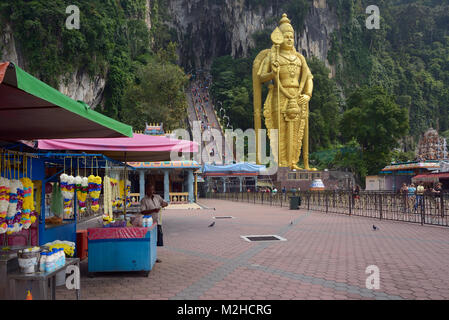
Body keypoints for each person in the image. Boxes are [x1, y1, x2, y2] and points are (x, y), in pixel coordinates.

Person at [253, 14, 314, 170]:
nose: (289, 39)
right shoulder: (273, 57)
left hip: (298, 96)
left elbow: (308, 78)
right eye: (286, 36)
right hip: (279, 95)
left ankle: (295, 162)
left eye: (291, 37)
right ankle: (281, 163)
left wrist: (307, 94)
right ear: (279, 38)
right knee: (279, 131)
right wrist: (273, 74)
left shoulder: (300, 58)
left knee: (297, 131)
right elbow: (260, 77)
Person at [140, 183, 168, 262]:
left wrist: (164, 205)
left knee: (156, 241)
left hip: (158, 222)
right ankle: (150, 257)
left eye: (152, 189)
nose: (151, 191)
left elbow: (165, 203)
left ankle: (154, 257)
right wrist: (153, 210)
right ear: (146, 190)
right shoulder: (144, 200)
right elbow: (143, 211)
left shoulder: (157, 197)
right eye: (149, 190)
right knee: (150, 241)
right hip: (149, 224)